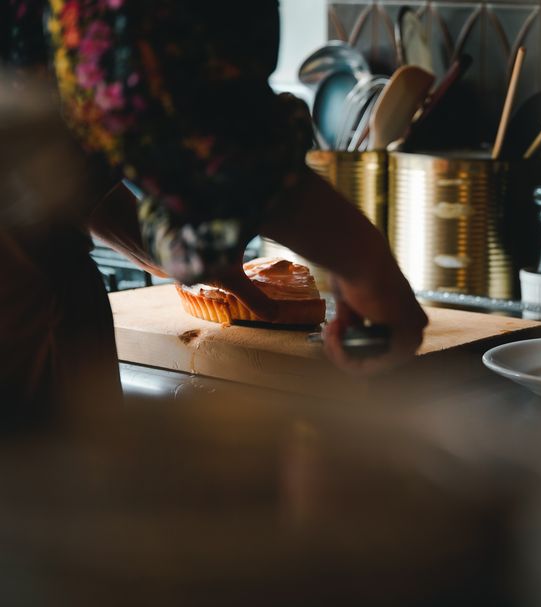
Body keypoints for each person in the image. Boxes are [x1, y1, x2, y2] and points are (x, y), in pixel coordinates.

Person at [0, 1, 427, 418]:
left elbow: (52, 133)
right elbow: (151, 80)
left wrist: (162, 244)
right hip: (23, 317)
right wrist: (364, 261)